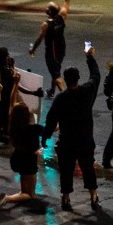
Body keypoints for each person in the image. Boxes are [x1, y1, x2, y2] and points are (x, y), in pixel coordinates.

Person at [42, 45, 102, 212]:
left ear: (65, 80)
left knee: (66, 171)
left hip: (67, 141)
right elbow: (96, 76)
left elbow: (50, 119)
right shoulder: (87, 92)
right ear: (78, 78)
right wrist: (90, 57)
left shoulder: (61, 99)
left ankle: (66, 198)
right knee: (88, 168)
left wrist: (45, 136)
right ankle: (94, 196)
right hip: (85, 140)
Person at [0, 76, 44, 210]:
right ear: (27, 116)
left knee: (23, 189)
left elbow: (12, 101)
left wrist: (15, 83)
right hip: (29, 160)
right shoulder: (33, 129)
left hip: (17, 157)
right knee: (29, 194)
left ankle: (11, 197)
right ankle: (7, 199)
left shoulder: (13, 125)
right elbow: (51, 129)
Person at [30, 0, 70, 98]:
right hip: (61, 48)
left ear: (50, 12)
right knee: (55, 70)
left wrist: (33, 49)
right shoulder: (62, 15)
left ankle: (66, 96)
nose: (46, 8)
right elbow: (67, 1)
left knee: (56, 75)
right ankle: (52, 91)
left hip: (52, 52)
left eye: (47, 7)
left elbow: (39, 39)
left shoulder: (46, 24)